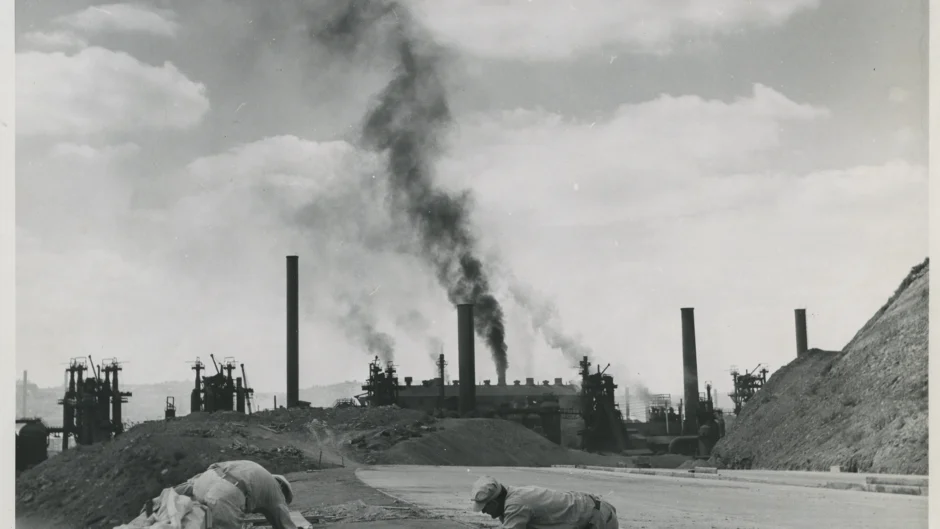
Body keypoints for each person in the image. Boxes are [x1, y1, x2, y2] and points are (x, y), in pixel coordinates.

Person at [173, 460, 296, 529]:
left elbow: (214, 469)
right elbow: (284, 524)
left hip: (205, 480)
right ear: (282, 488)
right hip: (224, 495)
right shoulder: (275, 490)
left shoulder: (253, 468)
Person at [469, 475, 618, 529]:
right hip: (594, 513)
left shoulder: (516, 505)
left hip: (598, 521)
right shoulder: (513, 497)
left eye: (484, 507)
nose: (483, 511)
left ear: (494, 503)